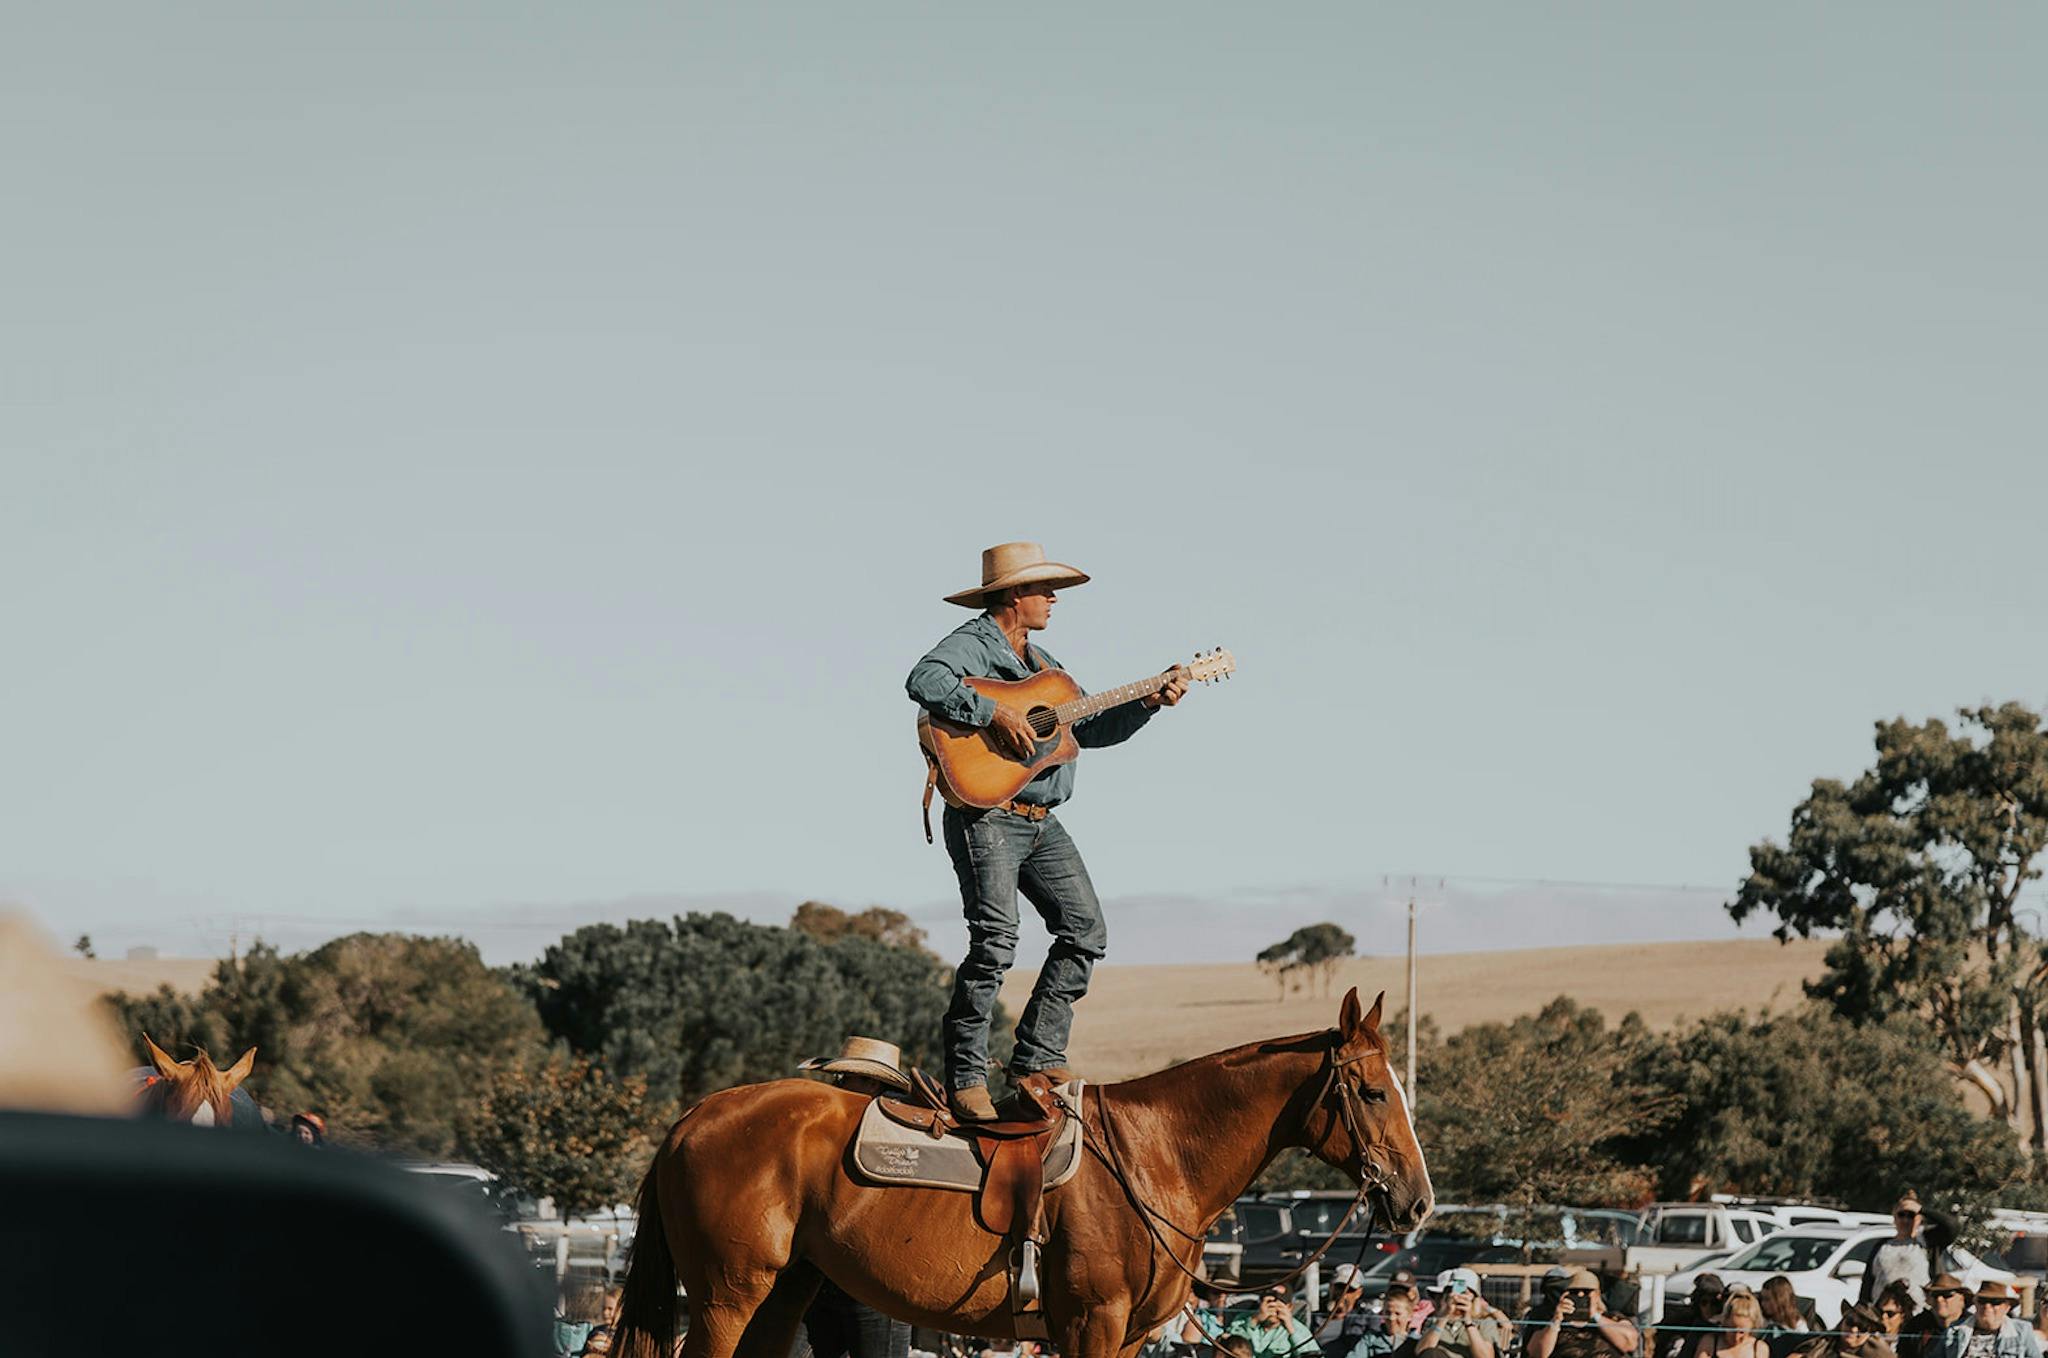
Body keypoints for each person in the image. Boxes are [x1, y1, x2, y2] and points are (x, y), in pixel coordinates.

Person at [907, 542, 1188, 1122]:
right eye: (1044, 589)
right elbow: (923, 678)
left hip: (1041, 822)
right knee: (996, 943)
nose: (1054, 599)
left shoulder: (1046, 668)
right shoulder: (974, 643)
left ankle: (1036, 1059)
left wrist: (1151, 702)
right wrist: (994, 713)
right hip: (987, 815)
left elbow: (1097, 728)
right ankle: (966, 1076)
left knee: (1085, 931)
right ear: (1014, 595)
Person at [791, 1039, 916, 1358]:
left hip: (875, 1289)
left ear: (872, 1083)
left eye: (847, 1078)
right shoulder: (826, 1136)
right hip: (820, 1282)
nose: (838, 1085)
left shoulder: (900, 1142)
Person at [1865, 1194, 1963, 1309]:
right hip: (1884, 1313)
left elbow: (1952, 1226)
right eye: (1901, 1215)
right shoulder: (1882, 1246)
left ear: (1919, 1219)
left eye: (1911, 1215)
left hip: (1918, 1312)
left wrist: (1922, 1209)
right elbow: (1868, 1282)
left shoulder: (1927, 1242)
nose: (1905, 1220)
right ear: (1894, 1217)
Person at [1525, 1268, 1640, 1358]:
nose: (1580, 1295)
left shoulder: (1613, 1317)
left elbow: (1629, 1343)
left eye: (1586, 1291)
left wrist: (1596, 1316)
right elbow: (1536, 1353)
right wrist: (1556, 1321)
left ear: (1597, 1294)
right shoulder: (1553, 1319)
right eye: (1574, 1292)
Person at [1416, 1269, 1508, 1358]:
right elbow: (1422, 1352)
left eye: (1464, 1293)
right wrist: (1444, 1317)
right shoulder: (1434, 1319)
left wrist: (1468, 1322)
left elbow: (1486, 1356)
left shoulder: (1485, 1322)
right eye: (1451, 1291)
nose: (1458, 1297)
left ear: (1474, 1297)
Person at [1225, 1284, 1323, 1357]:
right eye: (1269, 1304)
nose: (1273, 1309)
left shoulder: (1298, 1329)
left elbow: (1313, 1355)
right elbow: (1229, 1346)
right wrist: (1254, 1321)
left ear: (1289, 1307)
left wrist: (1291, 1330)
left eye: (1279, 1305)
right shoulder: (1243, 1319)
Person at [1954, 1282, 2041, 1358]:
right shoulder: (1955, 1330)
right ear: (1975, 1304)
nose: (1987, 1307)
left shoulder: (2022, 1331)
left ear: (2007, 1307)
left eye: (1995, 1302)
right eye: (1982, 1301)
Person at [1899, 1275, 1972, 1358]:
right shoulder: (1915, 1327)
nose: (1939, 1299)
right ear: (1928, 1299)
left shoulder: (1973, 1327)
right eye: (1935, 1294)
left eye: (1946, 1294)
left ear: (1962, 1299)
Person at [1658, 1276, 1729, 1358]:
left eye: (1714, 1303)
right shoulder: (1687, 1323)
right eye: (1704, 1302)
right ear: (1697, 1303)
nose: (1709, 1307)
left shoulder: (1727, 1325)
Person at [1346, 1287, 1420, 1358]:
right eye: (1388, 1312)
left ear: (1410, 1316)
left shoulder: (1417, 1342)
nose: (1391, 1318)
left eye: (1397, 1314)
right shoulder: (1370, 1339)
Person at [1314, 1265, 1375, 1349]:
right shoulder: (1315, 1317)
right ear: (1331, 1287)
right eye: (1340, 1287)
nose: (1343, 1294)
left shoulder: (1367, 1318)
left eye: (1350, 1289)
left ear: (1359, 1293)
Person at [1797, 1304, 1894, 1358]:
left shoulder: (1878, 1354)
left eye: (1862, 1327)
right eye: (1850, 1322)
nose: (1853, 1330)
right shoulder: (1819, 1343)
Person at [1692, 1292, 1770, 1358]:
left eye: (1742, 1332)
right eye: (1732, 1330)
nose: (1736, 1337)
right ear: (1725, 1322)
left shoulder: (1759, 1349)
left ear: (1752, 1327)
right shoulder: (1709, 1342)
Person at [1759, 1277, 1811, 1358]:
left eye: (1767, 1299)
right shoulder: (1764, 1322)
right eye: (1762, 1299)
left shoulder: (1798, 1325)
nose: (1763, 1303)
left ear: (1780, 1299)